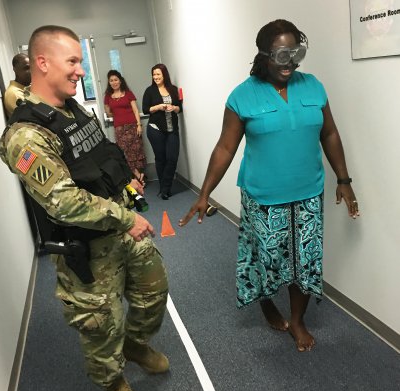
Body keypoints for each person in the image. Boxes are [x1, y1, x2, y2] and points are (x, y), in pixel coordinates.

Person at [0, 25, 170, 391]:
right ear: (42, 62)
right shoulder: (24, 137)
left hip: (122, 227)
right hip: (88, 249)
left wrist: (128, 180)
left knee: (153, 292)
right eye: (72, 61)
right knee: (100, 326)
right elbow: (64, 202)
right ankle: (114, 384)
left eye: (80, 60)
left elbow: (101, 156)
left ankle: (137, 343)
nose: (80, 70)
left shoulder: (71, 109)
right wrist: (128, 218)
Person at [179, 19, 360, 352]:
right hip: (262, 198)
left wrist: (344, 180)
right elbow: (225, 147)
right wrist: (204, 193)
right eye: (280, 55)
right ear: (263, 55)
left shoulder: (314, 86)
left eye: (296, 53)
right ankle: (265, 301)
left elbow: (329, 133)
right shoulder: (242, 96)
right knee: (267, 260)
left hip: (308, 195)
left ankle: (298, 320)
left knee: (305, 263)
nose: (289, 63)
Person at [142, 64, 182, 200]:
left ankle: (165, 187)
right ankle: (164, 189)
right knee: (161, 159)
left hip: (172, 129)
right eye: (154, 74)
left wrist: (174, 108)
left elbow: (180, 108)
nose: (156, 77)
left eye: (158, 74)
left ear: (164, 75)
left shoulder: (173, 89)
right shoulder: (150, 91)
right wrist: (159, 106)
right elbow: (145, 109)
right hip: (155, 129)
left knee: (172, 158)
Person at [104, 69, 146, 183]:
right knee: (124, 153)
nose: (114, 82)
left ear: (120, 81)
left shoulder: (128, 93)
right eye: (111, 80)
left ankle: (140, 177)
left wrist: (139, 125)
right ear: (109, 82)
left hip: (133, 127)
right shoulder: (108, 96)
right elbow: (108, 112)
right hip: (119, 129)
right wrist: (119, 114)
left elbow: (136, 110)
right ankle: (137, 176)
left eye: (116, 80)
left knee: (137, 152)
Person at [3, 53, 31, 118]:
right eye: (26, 68)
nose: (31, 71)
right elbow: (32, 117)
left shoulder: (25, 88)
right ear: (15, 70)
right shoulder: (15, 93)